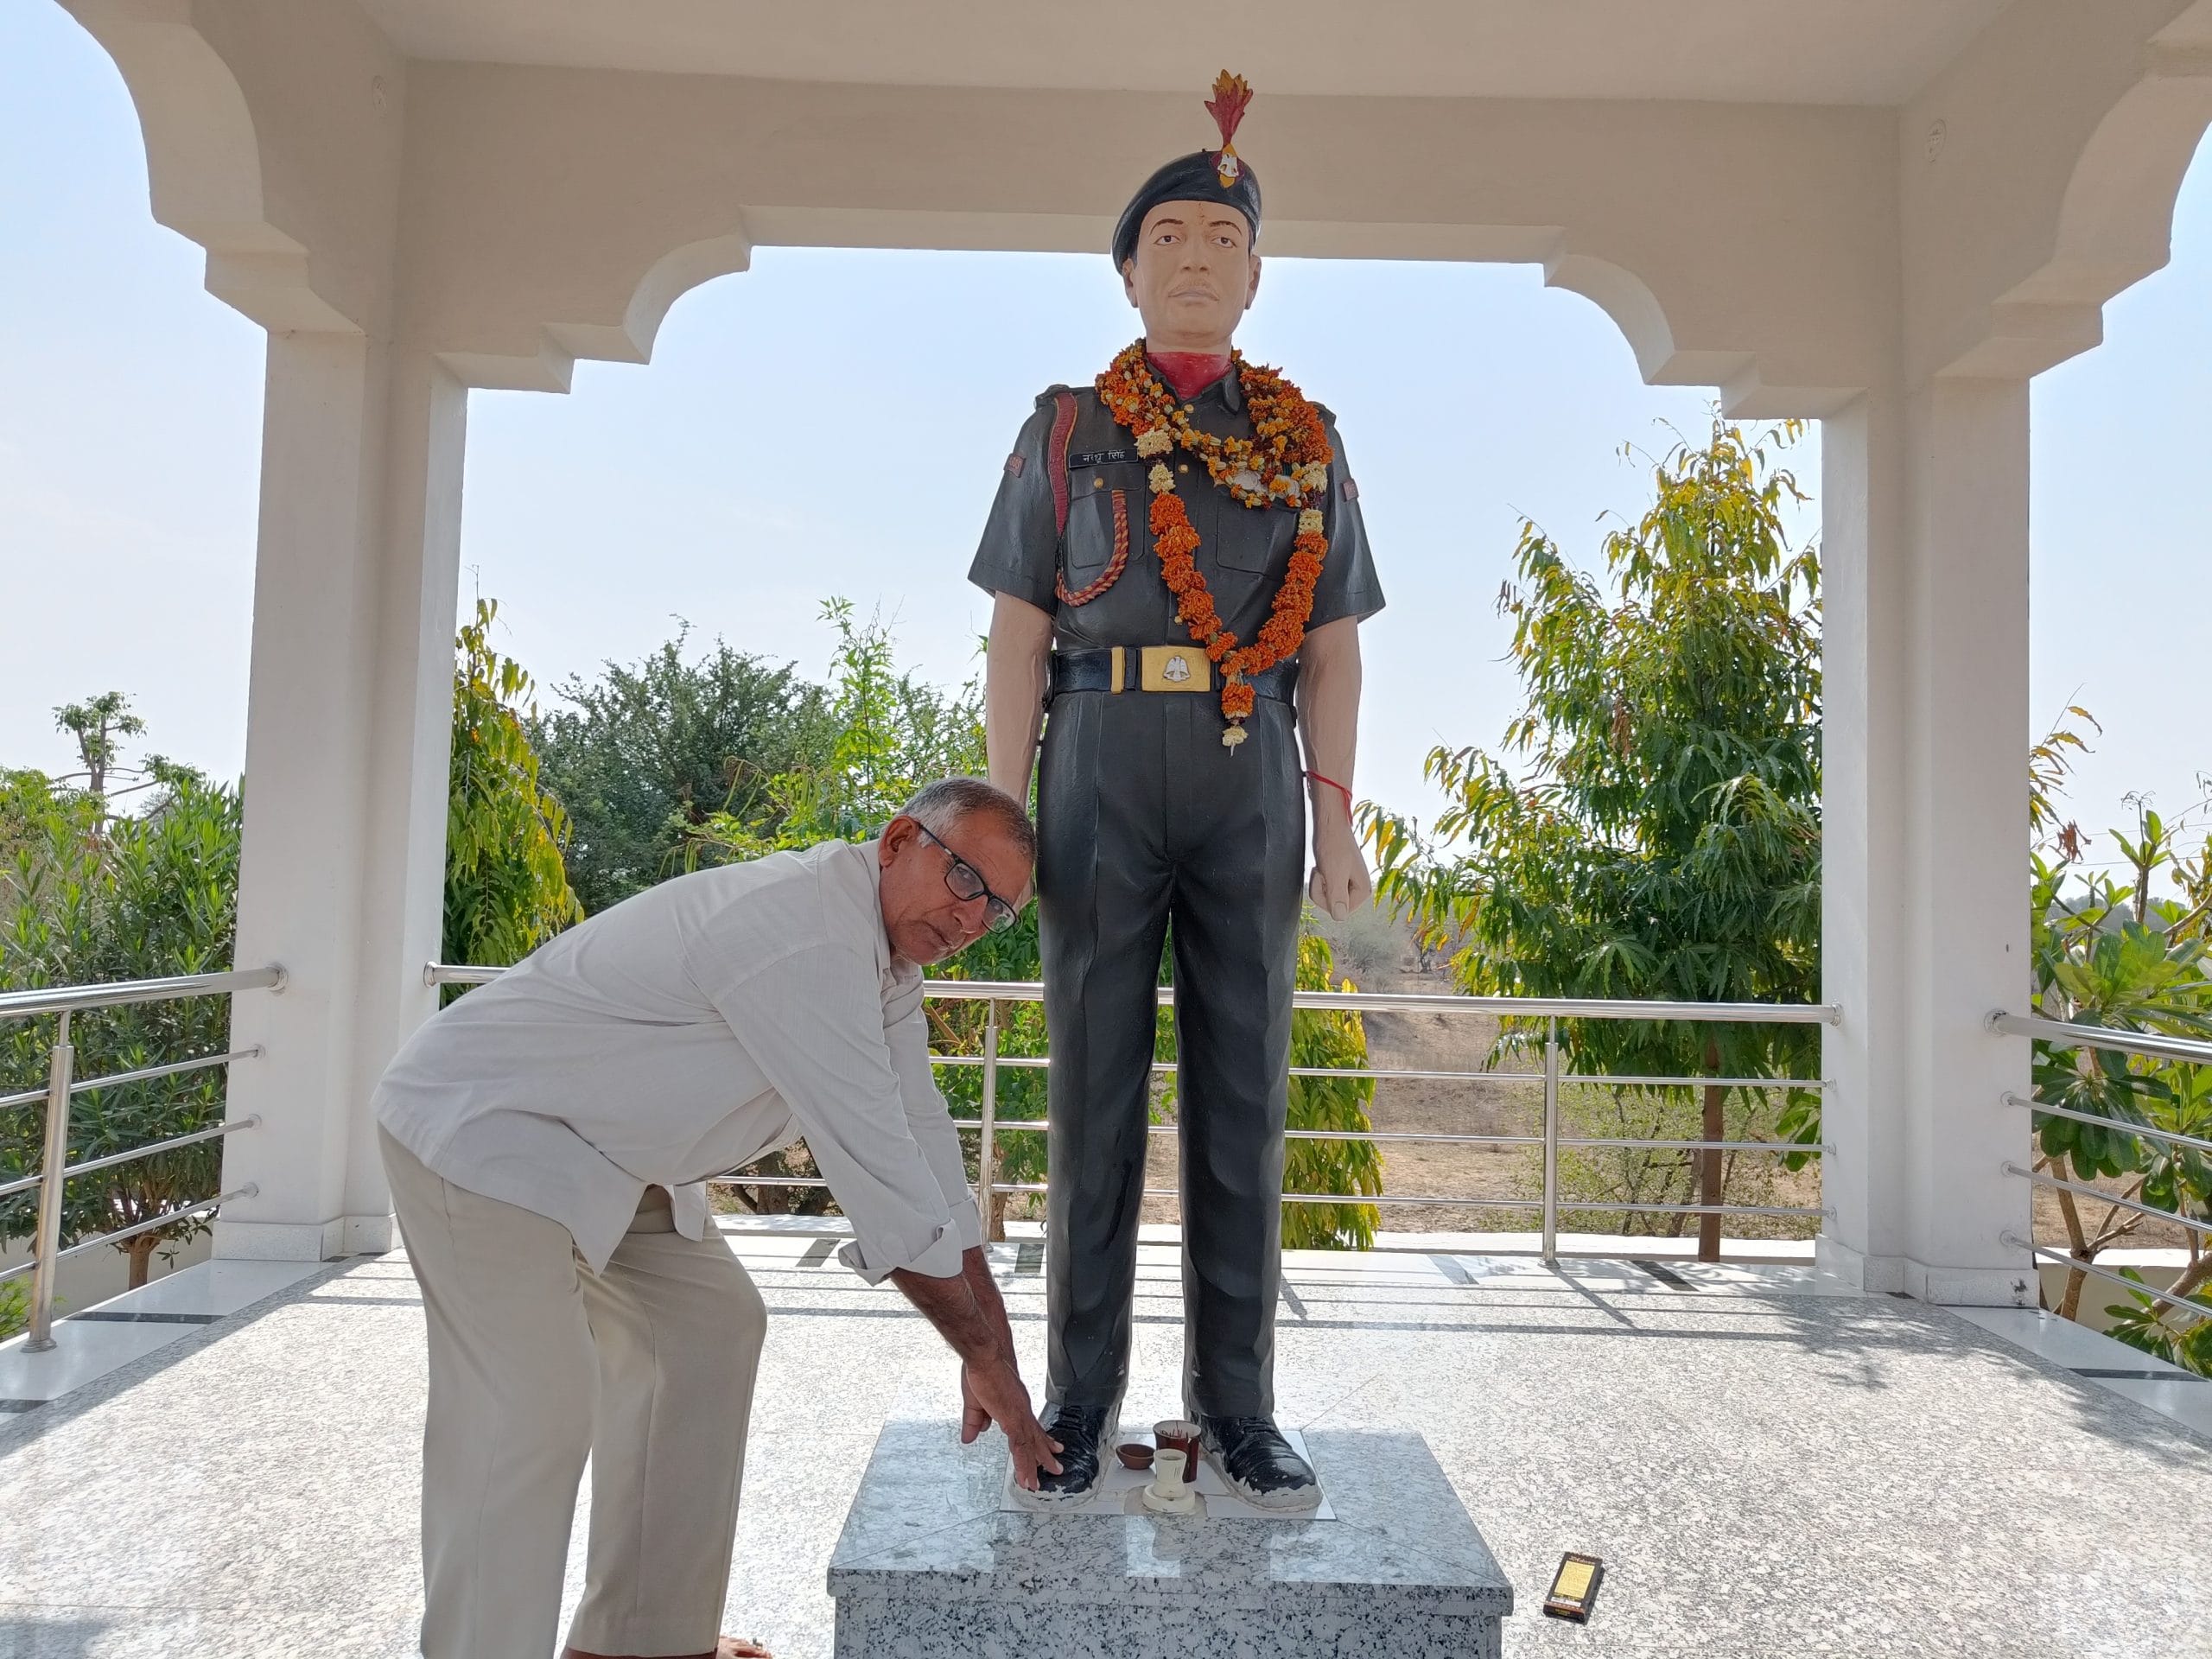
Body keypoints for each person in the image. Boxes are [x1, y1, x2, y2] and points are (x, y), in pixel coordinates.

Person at [373, 778, 1059, 1659]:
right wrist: (984, 1364)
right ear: (897, 842)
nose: (972, 918)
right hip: (485, 1128)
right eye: (967, 880)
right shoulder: (804, 933)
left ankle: (643, 1640)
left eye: (997, 910)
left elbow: (923, 1149)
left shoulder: (884, 966)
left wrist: (991, 1349)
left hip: (614, 1158)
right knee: (531, 1408)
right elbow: (882, 1180)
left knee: (708, 1329)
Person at [968, 72, 1384, 1509]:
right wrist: (1003, 811)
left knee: (1244, 1093)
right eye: (1171, 243)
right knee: (1089, 1091)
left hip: (1245, 773)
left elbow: (1328, 652)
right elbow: (1019, 632)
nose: (1197, 261)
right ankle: (1080, 1400)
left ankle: (1240, 1404)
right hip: (1092, 762)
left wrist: (1337, 819)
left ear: (1257, 276)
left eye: (1223, 243)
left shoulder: (1308, 439)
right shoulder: (1070, 428)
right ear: (1131, 270)